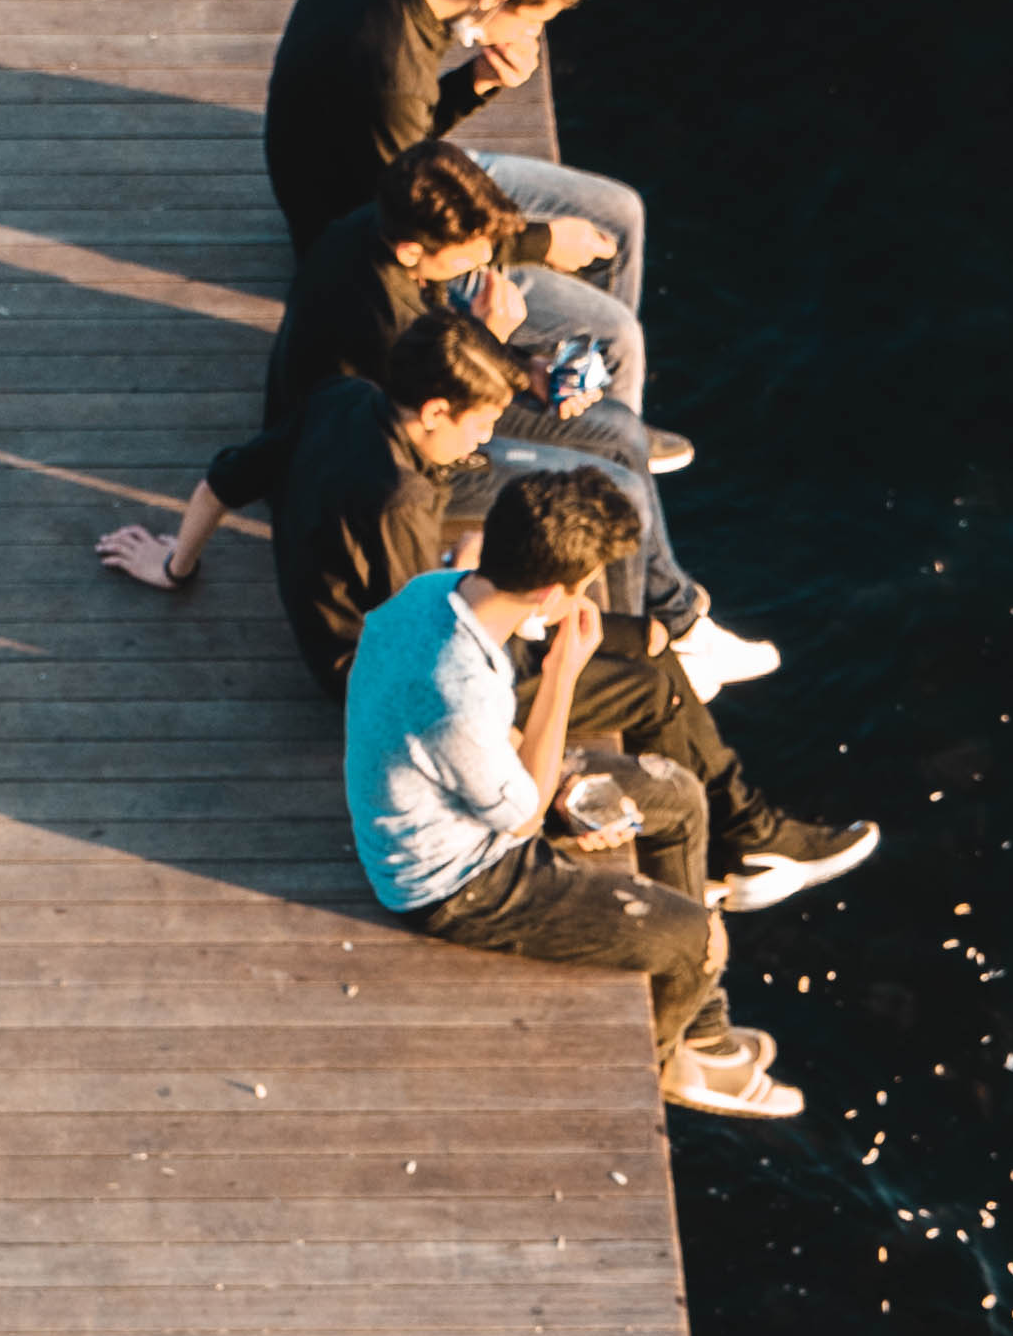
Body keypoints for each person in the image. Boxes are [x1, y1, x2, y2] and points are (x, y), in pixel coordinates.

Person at [96, 316, 878, 909]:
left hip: (363, 629)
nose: (485, 440)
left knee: (638, 640)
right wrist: (544, 738)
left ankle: (708, 792)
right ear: (435, 411)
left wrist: (175, 564)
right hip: (374, 667)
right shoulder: (399, 502)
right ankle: (749, 840)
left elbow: (229, 476)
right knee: (658, 679)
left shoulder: (344, 400)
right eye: (478, 422)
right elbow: (436, 651)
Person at [344, 468, 806, 1120]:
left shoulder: (431, 595)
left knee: (677, 797)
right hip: (456, 882)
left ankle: (703, 1028)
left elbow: (485, 739)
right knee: (702, 941)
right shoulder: (457, 692)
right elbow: (524, 814)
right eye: (584, 585)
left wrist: (561, 791)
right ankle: (666, 1062)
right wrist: (564, 668)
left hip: (472, 792)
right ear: (551, 593)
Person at [245, 143, 774, 696]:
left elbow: (448, 350)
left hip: (426, 407)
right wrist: (491, 339)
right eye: (467, 256)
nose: (480, 262)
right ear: (412, 251)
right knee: (618, 488)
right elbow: (434, 409)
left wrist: (526, 369)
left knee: (619, 429)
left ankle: (680, 620)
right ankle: (648, 638)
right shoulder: (383, 316)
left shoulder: (379, 231)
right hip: (396, 450)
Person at [261, 0, 677, 455]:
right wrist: (541, 243)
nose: (533, 35)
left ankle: (582, 387)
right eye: (534, 21)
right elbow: (414, 212)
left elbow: (405, 132)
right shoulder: (394, 73)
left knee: (620, 212)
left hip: (387, 169)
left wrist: (480, 79)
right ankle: (603, 439)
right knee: (616, 333)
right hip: (375, 232)